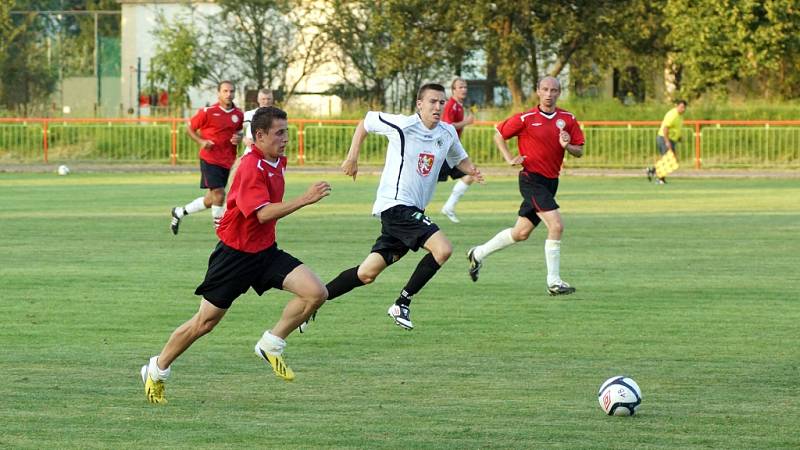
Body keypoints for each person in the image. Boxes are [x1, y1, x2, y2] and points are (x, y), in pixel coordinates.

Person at [141, 106, 332, 404]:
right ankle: (157, 367)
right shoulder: (249, 167)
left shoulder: (278, 159)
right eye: (280, 133)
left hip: (265, 252)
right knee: (204, 323)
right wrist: (305, 199)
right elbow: (263, 214)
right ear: (260, 136)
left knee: (316, 292)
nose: (286, 139)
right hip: (234, 256)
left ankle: (271, 344)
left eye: (286, 132)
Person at [307, 83, 483, 331]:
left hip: (413, 211)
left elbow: (459, 159)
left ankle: (314, 302)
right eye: (432, 101)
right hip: (396, 205)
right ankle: (402, 303)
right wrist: (352, 157)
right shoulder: (402, 125)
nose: (438, 106)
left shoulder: (447, 133)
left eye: (441, 102)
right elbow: (366, 122)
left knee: (367, 273)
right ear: (419, 104)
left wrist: (472, 170)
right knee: (442, 249)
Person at [466, 76, 584, 296]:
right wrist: (509, 158)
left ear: (559, 92)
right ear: (538, 91)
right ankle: (554, 282)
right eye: (545, 89)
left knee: (521, 233)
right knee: (556, 226)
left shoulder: (567, 118)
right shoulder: (526, 118)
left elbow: (579, 150)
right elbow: (499, 135)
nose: (549, 94)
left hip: (551, 181)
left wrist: (568, 146)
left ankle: (478, 253)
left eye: (554, 90)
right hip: (531, 179)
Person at [170, 81, 244, 234]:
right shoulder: (208, 111)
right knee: (219, 194)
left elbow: (238, 133)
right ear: (219, 93)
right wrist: (201, 141)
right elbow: (189, 128)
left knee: (212, 199)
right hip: (210, 159)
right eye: (225, 91)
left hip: (228, 161)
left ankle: (179, 212)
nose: (229, 94)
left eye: (231, 91)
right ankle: (221, 230)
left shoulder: (238, 114)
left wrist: (239, 137)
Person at [438, 77, 477, 223]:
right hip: (444, 150)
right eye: (460, 87)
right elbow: (448, 126)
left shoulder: (460, 106)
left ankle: (448, 207)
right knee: (427, 179)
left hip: (452, 149)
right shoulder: (451, 105)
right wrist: (465, 122)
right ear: (453, 90)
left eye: (465, 87)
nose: (464, 89)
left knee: (471, 173)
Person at [647, 99, 687, 184]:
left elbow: (675, 128)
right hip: (663, 138)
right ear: (677, 106)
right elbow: (665, 128)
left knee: (670, 159)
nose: (683, 109)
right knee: (667, 158)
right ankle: (659, 178)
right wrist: (667, 141)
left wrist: (678, 138)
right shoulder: (672, 115)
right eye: (681, 107)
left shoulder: (680, 116)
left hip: (671, 139)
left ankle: (652, 170)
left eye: (684, 107)